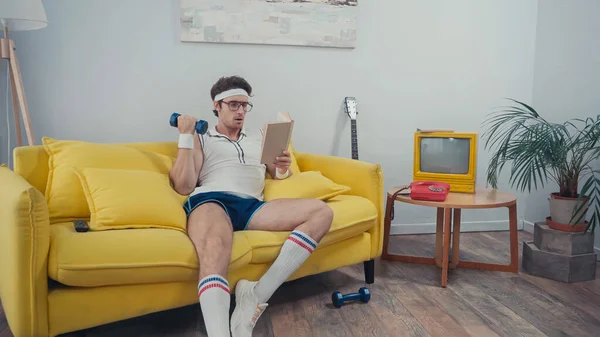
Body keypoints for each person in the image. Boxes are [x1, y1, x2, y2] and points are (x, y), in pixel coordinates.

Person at [169, 75, 334, 337]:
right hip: (212, 200)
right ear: (217, 106)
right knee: (214, 246)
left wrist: (282, 168)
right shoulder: (203, 137)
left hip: (252, 206)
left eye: (245, 106)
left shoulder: (260, 138)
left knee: (321, 212)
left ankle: (256, 295)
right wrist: (186, 136)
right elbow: (183, 186)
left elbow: (277, 175)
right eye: (233, 104)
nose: (241, 111)